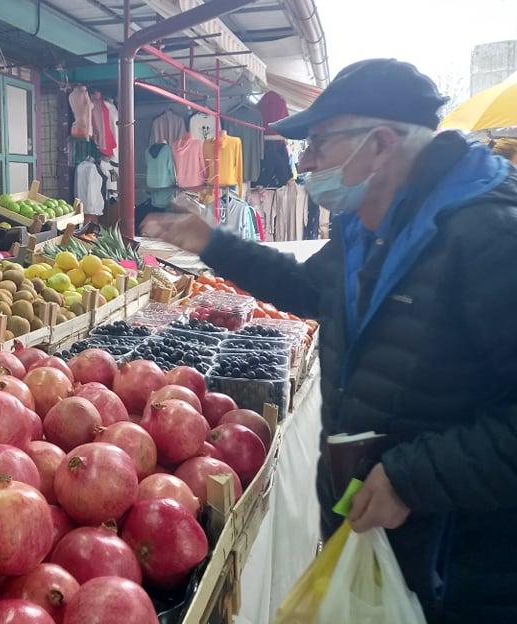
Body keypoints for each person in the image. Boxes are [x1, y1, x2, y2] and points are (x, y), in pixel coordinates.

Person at [143, 59, 517, 623]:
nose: (305, 163)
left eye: (319, 143)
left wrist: (413, 477)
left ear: (381, 144)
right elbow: (309, 288)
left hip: (459, 570)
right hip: (382, 542)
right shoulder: (369, 225)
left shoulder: (490, 235)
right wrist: (212, 244)